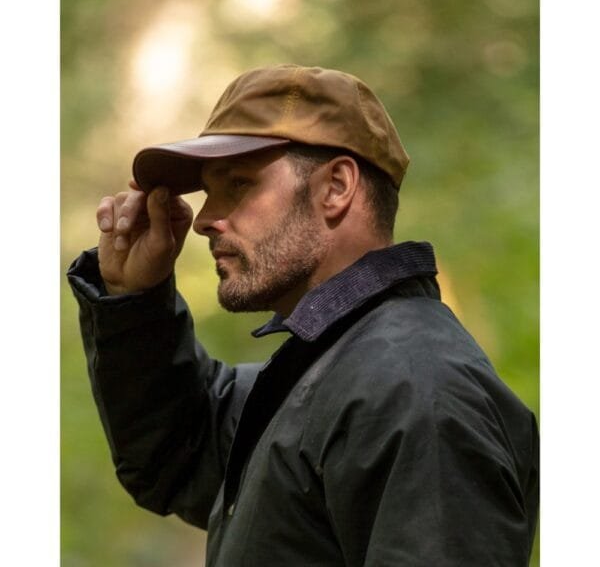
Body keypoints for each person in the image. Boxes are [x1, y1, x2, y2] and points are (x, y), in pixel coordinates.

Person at [67, 64, 539, 566]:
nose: (204, 219)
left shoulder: (417, 388)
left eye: (238, 184)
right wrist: (134, 296)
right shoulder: (331, 370)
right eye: (208, 190)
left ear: (336, 187)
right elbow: (182, 455)